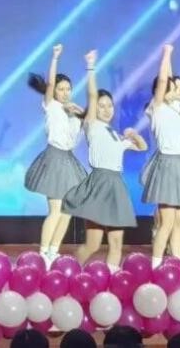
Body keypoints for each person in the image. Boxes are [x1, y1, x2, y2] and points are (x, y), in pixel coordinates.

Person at [60, 50, 146, 269]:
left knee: (116, 244)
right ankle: (68, 273)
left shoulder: (115, 134)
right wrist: (90, 66)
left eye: (110, 105)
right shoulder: (93, 126)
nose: (107, 110)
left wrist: (133, 135)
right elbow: (91, 95)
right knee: (93, 244)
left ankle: (110, 281)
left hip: (116, 186)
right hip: (99, 185)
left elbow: (142, 147)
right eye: (102, 105)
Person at [23, 44, 87, 268]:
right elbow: (49, 84)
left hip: (68, 160)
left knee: (67, 211)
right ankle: (43, 254)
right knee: (56, 209)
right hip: (53, 159)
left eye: (68, 88)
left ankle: (53, 251)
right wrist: (55, 58)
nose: (65, 92)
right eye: (61, 89)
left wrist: (78, 115)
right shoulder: (51, 106)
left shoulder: (73, 112)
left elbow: (77, 136)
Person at [141, 44, 180, 267]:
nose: (174, 90)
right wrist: (167, 55)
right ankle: (156, 264)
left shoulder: (176, 111)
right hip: (167, 166)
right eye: (170, 87)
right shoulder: (157, 108)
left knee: (179, 221)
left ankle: (177, 262)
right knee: (166, 222)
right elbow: (163, 80)